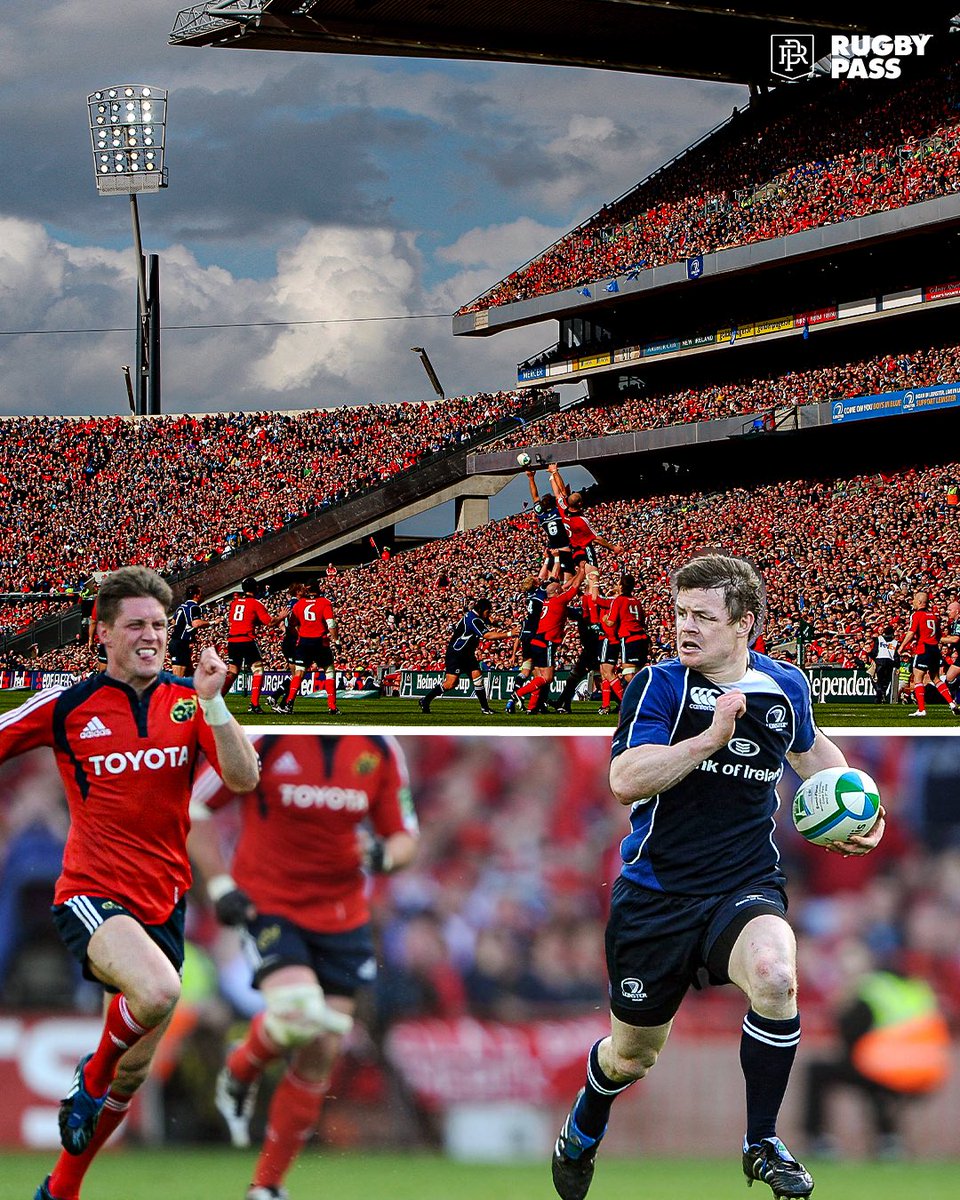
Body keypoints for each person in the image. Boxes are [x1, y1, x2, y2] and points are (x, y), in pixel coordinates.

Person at [551, 553, 885, 1200]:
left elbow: (815, 754)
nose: (685, 627)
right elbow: (625, 780)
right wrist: (708, 738)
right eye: (680, 613)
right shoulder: (659, 685)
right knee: (631, 1056)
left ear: (744, 625)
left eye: (703, 616)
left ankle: (761, 1140)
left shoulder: (785, 685)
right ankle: (585, 1121)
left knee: (777, 975)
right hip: (656, 897)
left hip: (744, 884)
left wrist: (857, 810)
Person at [0, 566, 260, 1200]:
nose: (151, 636)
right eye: (136, 625)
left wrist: (215, 701)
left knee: (134, 1070)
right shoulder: (66, 706)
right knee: (158, 990)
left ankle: (60, 1190)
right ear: (104, 634)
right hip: (90, 895)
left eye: (159, 625)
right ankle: (89, 1078)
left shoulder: (188, 700)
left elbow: (244, 777)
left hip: (163, 903)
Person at [188, 733, 418, 1200]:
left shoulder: (380, 747)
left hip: (343, 917)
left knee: (321, 1049)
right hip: (269, 905)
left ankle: (266, 1186)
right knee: (297, 1009)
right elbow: (195, 807)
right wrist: (218, 886)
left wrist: (381, 856)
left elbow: (405, 838)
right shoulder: (262, 738)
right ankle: (241, 1067)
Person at [801, 942, 949, 1160]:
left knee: (828, 1070)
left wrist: (841, 1003)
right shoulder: (916, 989)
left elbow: (850, 1038)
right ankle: (888, 1139)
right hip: (929, 1071)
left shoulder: (869, 991)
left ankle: (817, 1140)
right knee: (873, 1074)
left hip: (890, 1070)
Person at [509, 563, 586, 714]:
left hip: (535, 641)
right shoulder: (559, 600)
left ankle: (532, 708)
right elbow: (575, 586)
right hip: (547, 642)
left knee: (538, 676)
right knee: (548, 677)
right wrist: (582, 570)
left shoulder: (545, 601)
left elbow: (565, 588)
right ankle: (518, 694)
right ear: (557, 591)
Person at [419, 599, 516, 716]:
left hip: (467, 653)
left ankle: (485, 708)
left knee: (478, 678)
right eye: (488, 611)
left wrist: (498, 623)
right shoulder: (474, 620)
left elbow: (488, 620)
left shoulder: (475, 615)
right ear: (480, 610)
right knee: (451, 683)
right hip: (457, 653)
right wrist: (509, 634)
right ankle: (426, 699)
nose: (489, 614)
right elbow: (487, 635)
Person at [275, 581, 340, 717]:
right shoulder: (324, 602)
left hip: (303, 642)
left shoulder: (299, 604)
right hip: (320, 641)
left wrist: (301, 632)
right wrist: (336, 640)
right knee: (329, 670)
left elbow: (292, 623)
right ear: (319, 589)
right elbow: (331, 623)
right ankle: (332, 706)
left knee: (299, 673)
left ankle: (289, 703)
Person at [223, 577, 280, 715]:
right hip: (246, 639)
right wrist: (281, 617)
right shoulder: (256, 603)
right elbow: (270, 622)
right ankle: (254, 704)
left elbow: (236, 620)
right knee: (258, 670)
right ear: (256, 588)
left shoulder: (235, 603)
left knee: (232, 672)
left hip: (232, 640)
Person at [898, 590, 960, 718]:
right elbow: (938, 636)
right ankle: (952, 703)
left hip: (923, 648)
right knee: (935, 678)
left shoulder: (916, 615)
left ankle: (921, 709)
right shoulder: (934, 616)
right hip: (934, 650)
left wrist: (902, 646)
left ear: (920, 602)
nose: (913, 602)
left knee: (918, 678)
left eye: (915, 600)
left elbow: (911, 632)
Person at [598, 574, 649, 715]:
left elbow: (611, 622)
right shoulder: (637, 601)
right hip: (642, 638)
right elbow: (642, 620)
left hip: (629, 637)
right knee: (638, 673)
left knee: (628, 674)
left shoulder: (619, 601)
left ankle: (636, 705)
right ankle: (640, 702)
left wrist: (604, 618)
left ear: (621, 586)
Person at [168, 584, 210, 677]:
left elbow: (173, 621)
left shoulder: (182, 606)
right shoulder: (194, 607)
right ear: (196, 595)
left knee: (190, 677)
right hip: (181, 643)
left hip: (177, 642)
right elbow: (196, 623)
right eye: (201, 593)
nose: (203, 595)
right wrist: (212, 622)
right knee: (178, 679)